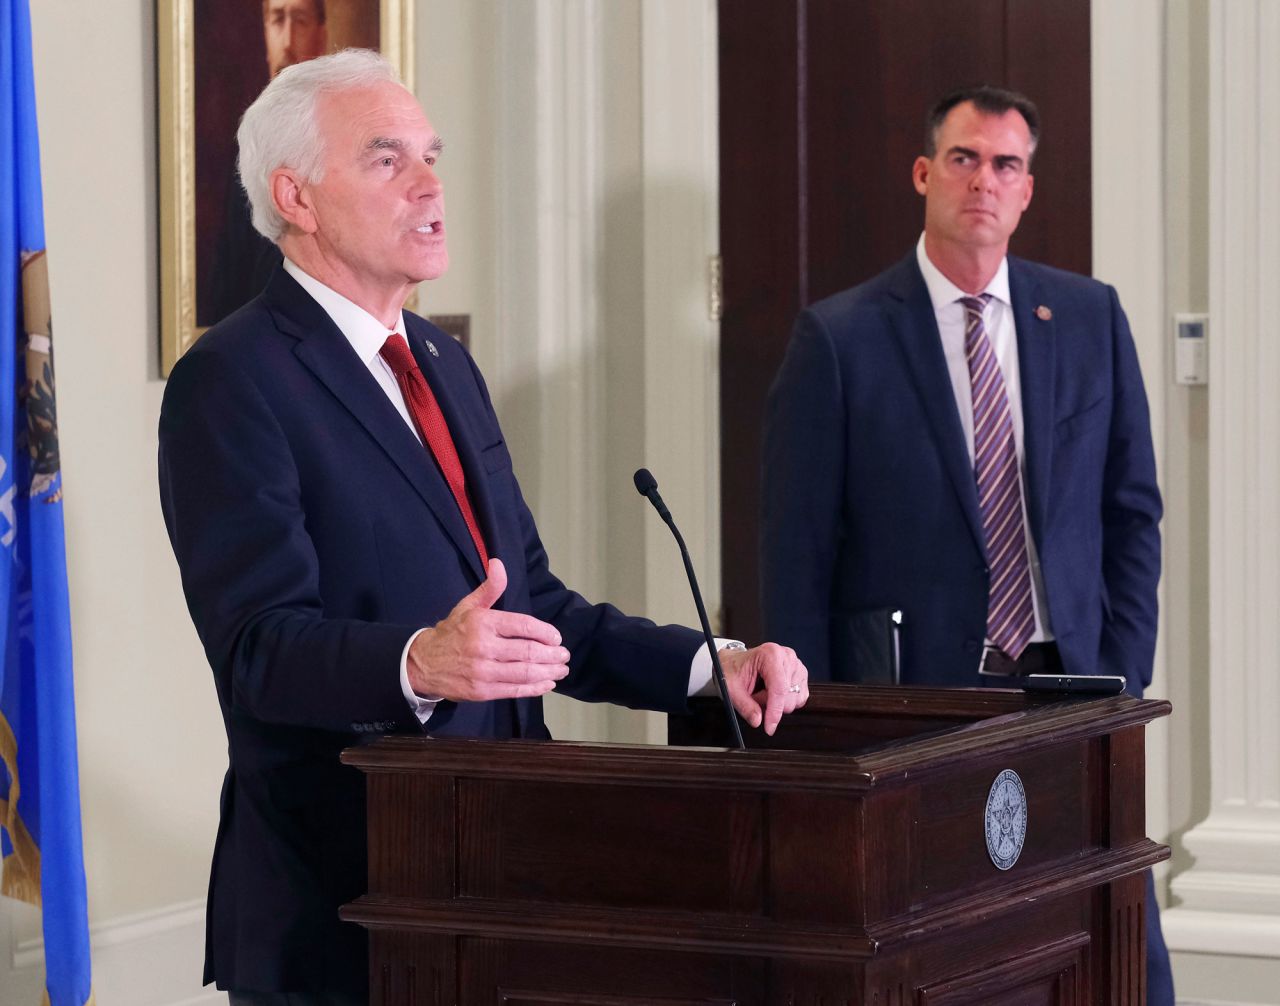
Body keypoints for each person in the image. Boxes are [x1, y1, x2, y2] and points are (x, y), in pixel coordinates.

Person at [159, 50, 807, 1005]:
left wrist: (713, 666)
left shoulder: (441, 362)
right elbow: (259, 651)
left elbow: (532, 609)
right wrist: (419, 662)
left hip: (502, 882)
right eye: (387, 161)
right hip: (347, 901)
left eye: (433, 156)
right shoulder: (232, 378)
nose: (431, 187)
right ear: (294, 195)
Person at [760, 84, 1170, 1003]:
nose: (984, 181)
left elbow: (1131, 512)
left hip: (1071, 684)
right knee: (947, 950)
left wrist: (1124, 666)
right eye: (964, 158)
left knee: (1111, 936)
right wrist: (820, 726)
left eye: (1006, 165)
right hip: (920, 695)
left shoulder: (1090, 317)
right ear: (924, 173)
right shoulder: (840, 337)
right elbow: (796, 552)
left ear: (1027, 191)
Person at [204, 0, 330, 326]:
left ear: (321, 32)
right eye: (277, 20)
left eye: (300, 20)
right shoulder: (249, 144)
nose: (287, 40)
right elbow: (229, 281)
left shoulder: (346, 147)